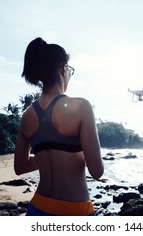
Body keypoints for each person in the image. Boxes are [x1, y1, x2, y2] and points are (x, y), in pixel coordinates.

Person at [14, 37, 104, 216]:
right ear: (63, 68)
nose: (69, 73)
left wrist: (53, 156)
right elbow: (97, 171)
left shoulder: (27, 115)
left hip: (37, 208)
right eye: (70, 69)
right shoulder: (81, 107)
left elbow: (20, 167)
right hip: (74, 213)